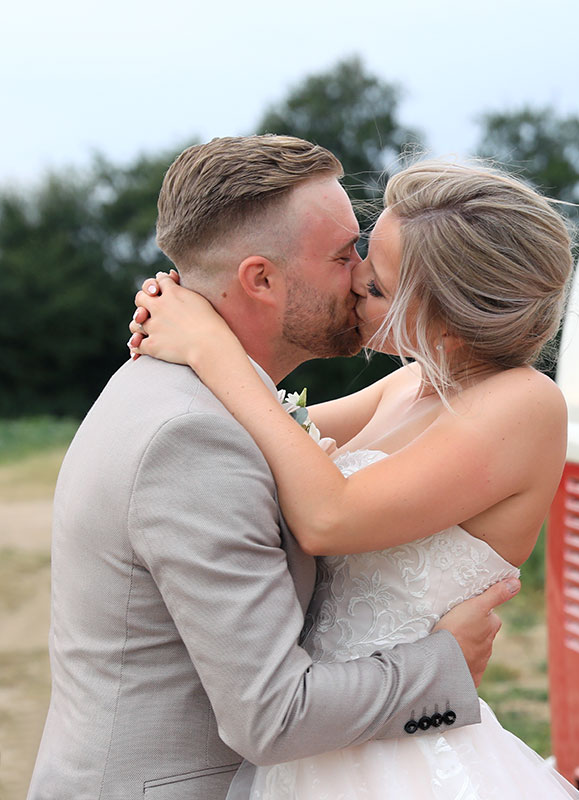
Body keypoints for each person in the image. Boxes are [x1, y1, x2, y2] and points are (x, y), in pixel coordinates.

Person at [27, 137, 516, 800]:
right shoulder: (192, 437)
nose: (362, 277)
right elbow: (274, 713)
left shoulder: (200, 395)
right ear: (261, 279)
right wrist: (445, 665)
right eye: (345, 255)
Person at [129, 159, 579, 799]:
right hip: (325, 724)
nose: (352, 284)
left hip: (406, 756)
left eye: (374, 284)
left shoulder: (524, 404)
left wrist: (211, 347)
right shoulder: (412, 383)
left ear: (448, 312)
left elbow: (329, 516)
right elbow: (266, 432)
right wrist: (201, 307)